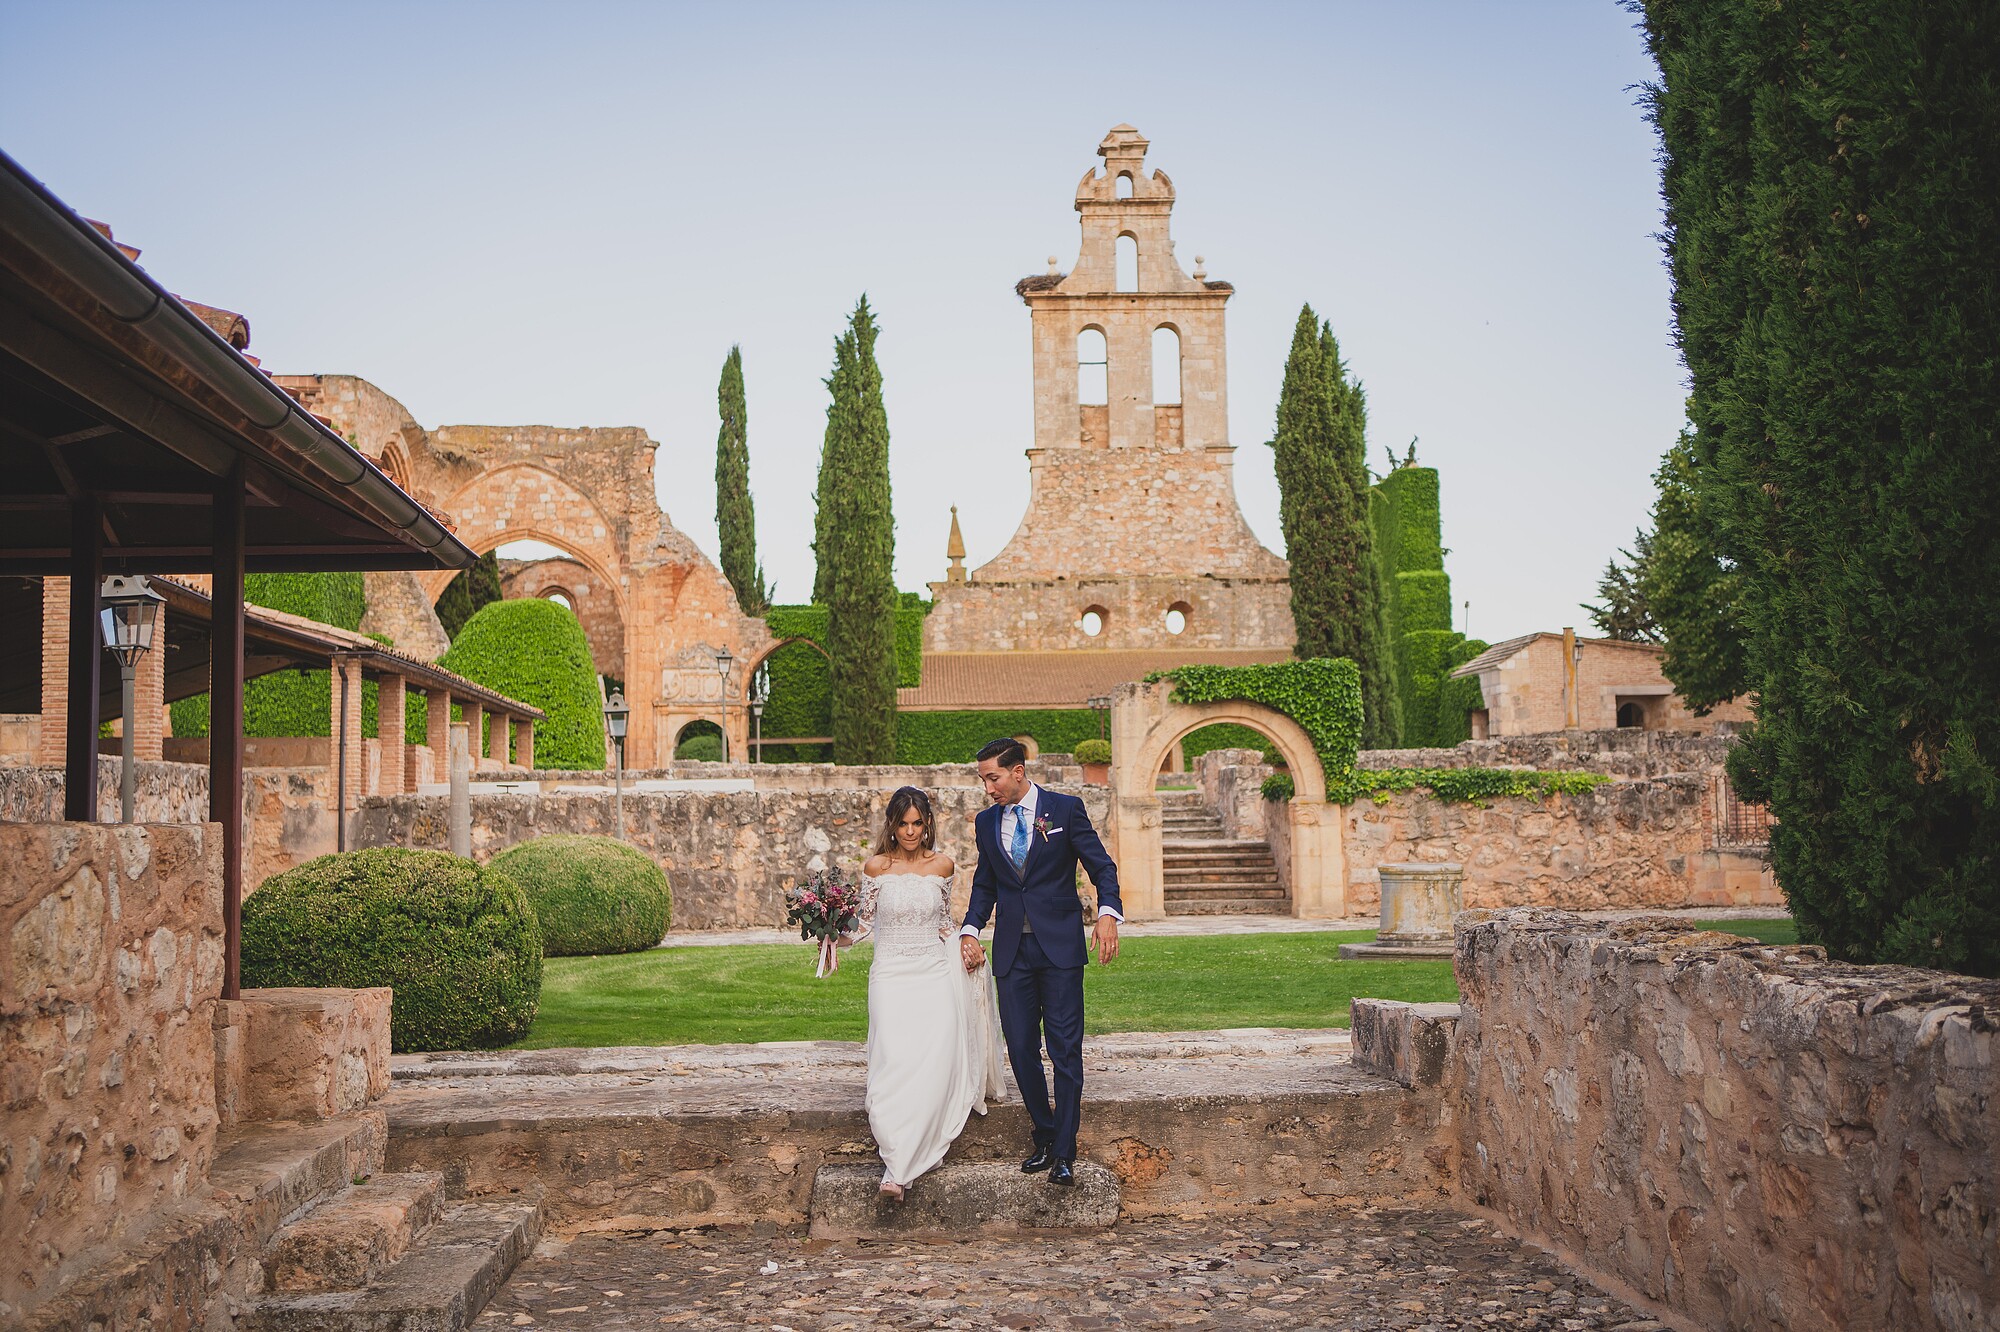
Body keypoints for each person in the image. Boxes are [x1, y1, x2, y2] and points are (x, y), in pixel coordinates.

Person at [958, 738, 1122, 1187]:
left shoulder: (1065, 811)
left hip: (1061, 951)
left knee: (1065, 1050)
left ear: (1017, 771)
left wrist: (1108, 914)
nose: (988, 788)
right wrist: (969, 929)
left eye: (992, 777)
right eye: (983, 779)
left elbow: (1101, 868)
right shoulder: (987, 821)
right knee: (1022, 1050)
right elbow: (986, 884)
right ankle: (1046, 1135)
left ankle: (1066, 1152)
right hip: (1012, 951)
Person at [847, 786, 1006, 1200]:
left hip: (933, 969)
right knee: (892, 1062)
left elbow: (943, 922)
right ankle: (897, 1154)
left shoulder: (943, 866)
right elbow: (863, 926)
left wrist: (967, 944)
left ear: (928, 823)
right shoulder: (876, 867)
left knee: (932, 1062)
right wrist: (830, 935)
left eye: (918, 823)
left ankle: (896, 1173)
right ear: (892, 825)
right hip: (891, 973)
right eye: (903, 823)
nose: (911, 831)